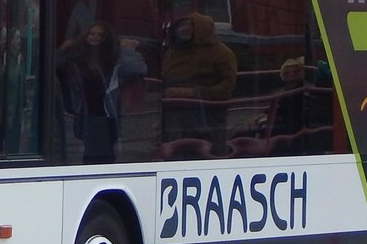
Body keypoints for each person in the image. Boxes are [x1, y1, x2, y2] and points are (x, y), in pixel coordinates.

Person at [57, 21, 145, 164]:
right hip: (84, 114)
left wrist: (127, 50)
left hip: (107, 116)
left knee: (106, 156)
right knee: (89, 156)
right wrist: (64, 49)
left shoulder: (113, 58)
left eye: (100, 35)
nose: (95, 37)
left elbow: (138, 70)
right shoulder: (76, 57)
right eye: (92, 34)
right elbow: (56, 65)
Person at [161, 12, 237, 153]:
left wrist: (193, 93)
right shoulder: (172, 53)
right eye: (181, 25)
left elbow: (228, 85)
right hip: (172, 110)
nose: (184, 29)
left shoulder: (222, 53)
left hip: (207, 112)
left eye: (191, 25)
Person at [0, 27, 26, 154]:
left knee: (15, 147)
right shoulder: (1, 58)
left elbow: (22, 84)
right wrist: (16, 66)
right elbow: (8, 79)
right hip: (5, 112)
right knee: (3, 148)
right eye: (17, 38)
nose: (19, 41)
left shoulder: (20, 58)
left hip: (17, 112)